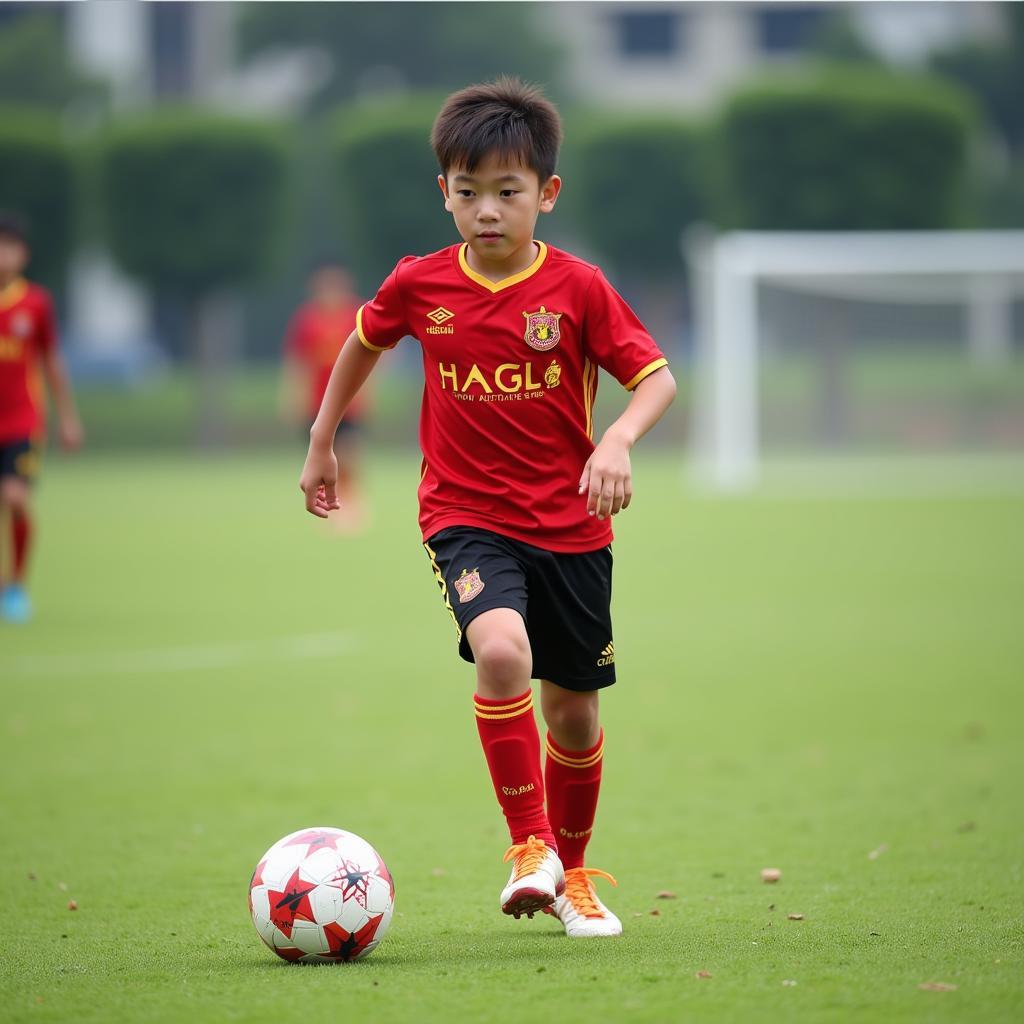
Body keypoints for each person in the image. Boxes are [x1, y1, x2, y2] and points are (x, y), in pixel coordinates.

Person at [299, 79, 676, 937]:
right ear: (445, 193)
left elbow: (656, 377)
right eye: (467, 193)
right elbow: (364, 340)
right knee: (500, 651)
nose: (487, 211)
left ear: (547, 193)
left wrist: (615, 442)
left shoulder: (578, 288)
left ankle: (574, 875)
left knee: (573, 713)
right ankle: (528, 847)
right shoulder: (420, 283)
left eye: (508, 192)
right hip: (465, 518)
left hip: (573, 527)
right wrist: (323, 438)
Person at [0, 212, 83, 623]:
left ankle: (15, 586)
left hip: (21, 422)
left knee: (15, 498)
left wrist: (68, 418)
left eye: (9, 246)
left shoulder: (35, 304)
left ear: (23, 254)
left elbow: (52, 362)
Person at [282, 263, 370, 533]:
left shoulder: (356, 315)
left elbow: (373, 355)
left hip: (350, 402)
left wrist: (368, 391)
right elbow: (298, 362)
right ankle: (327, 507)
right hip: (318, 404)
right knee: (322, 457)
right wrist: (292, 397)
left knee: (348, 454)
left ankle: (352, 503)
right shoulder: (306, 320)